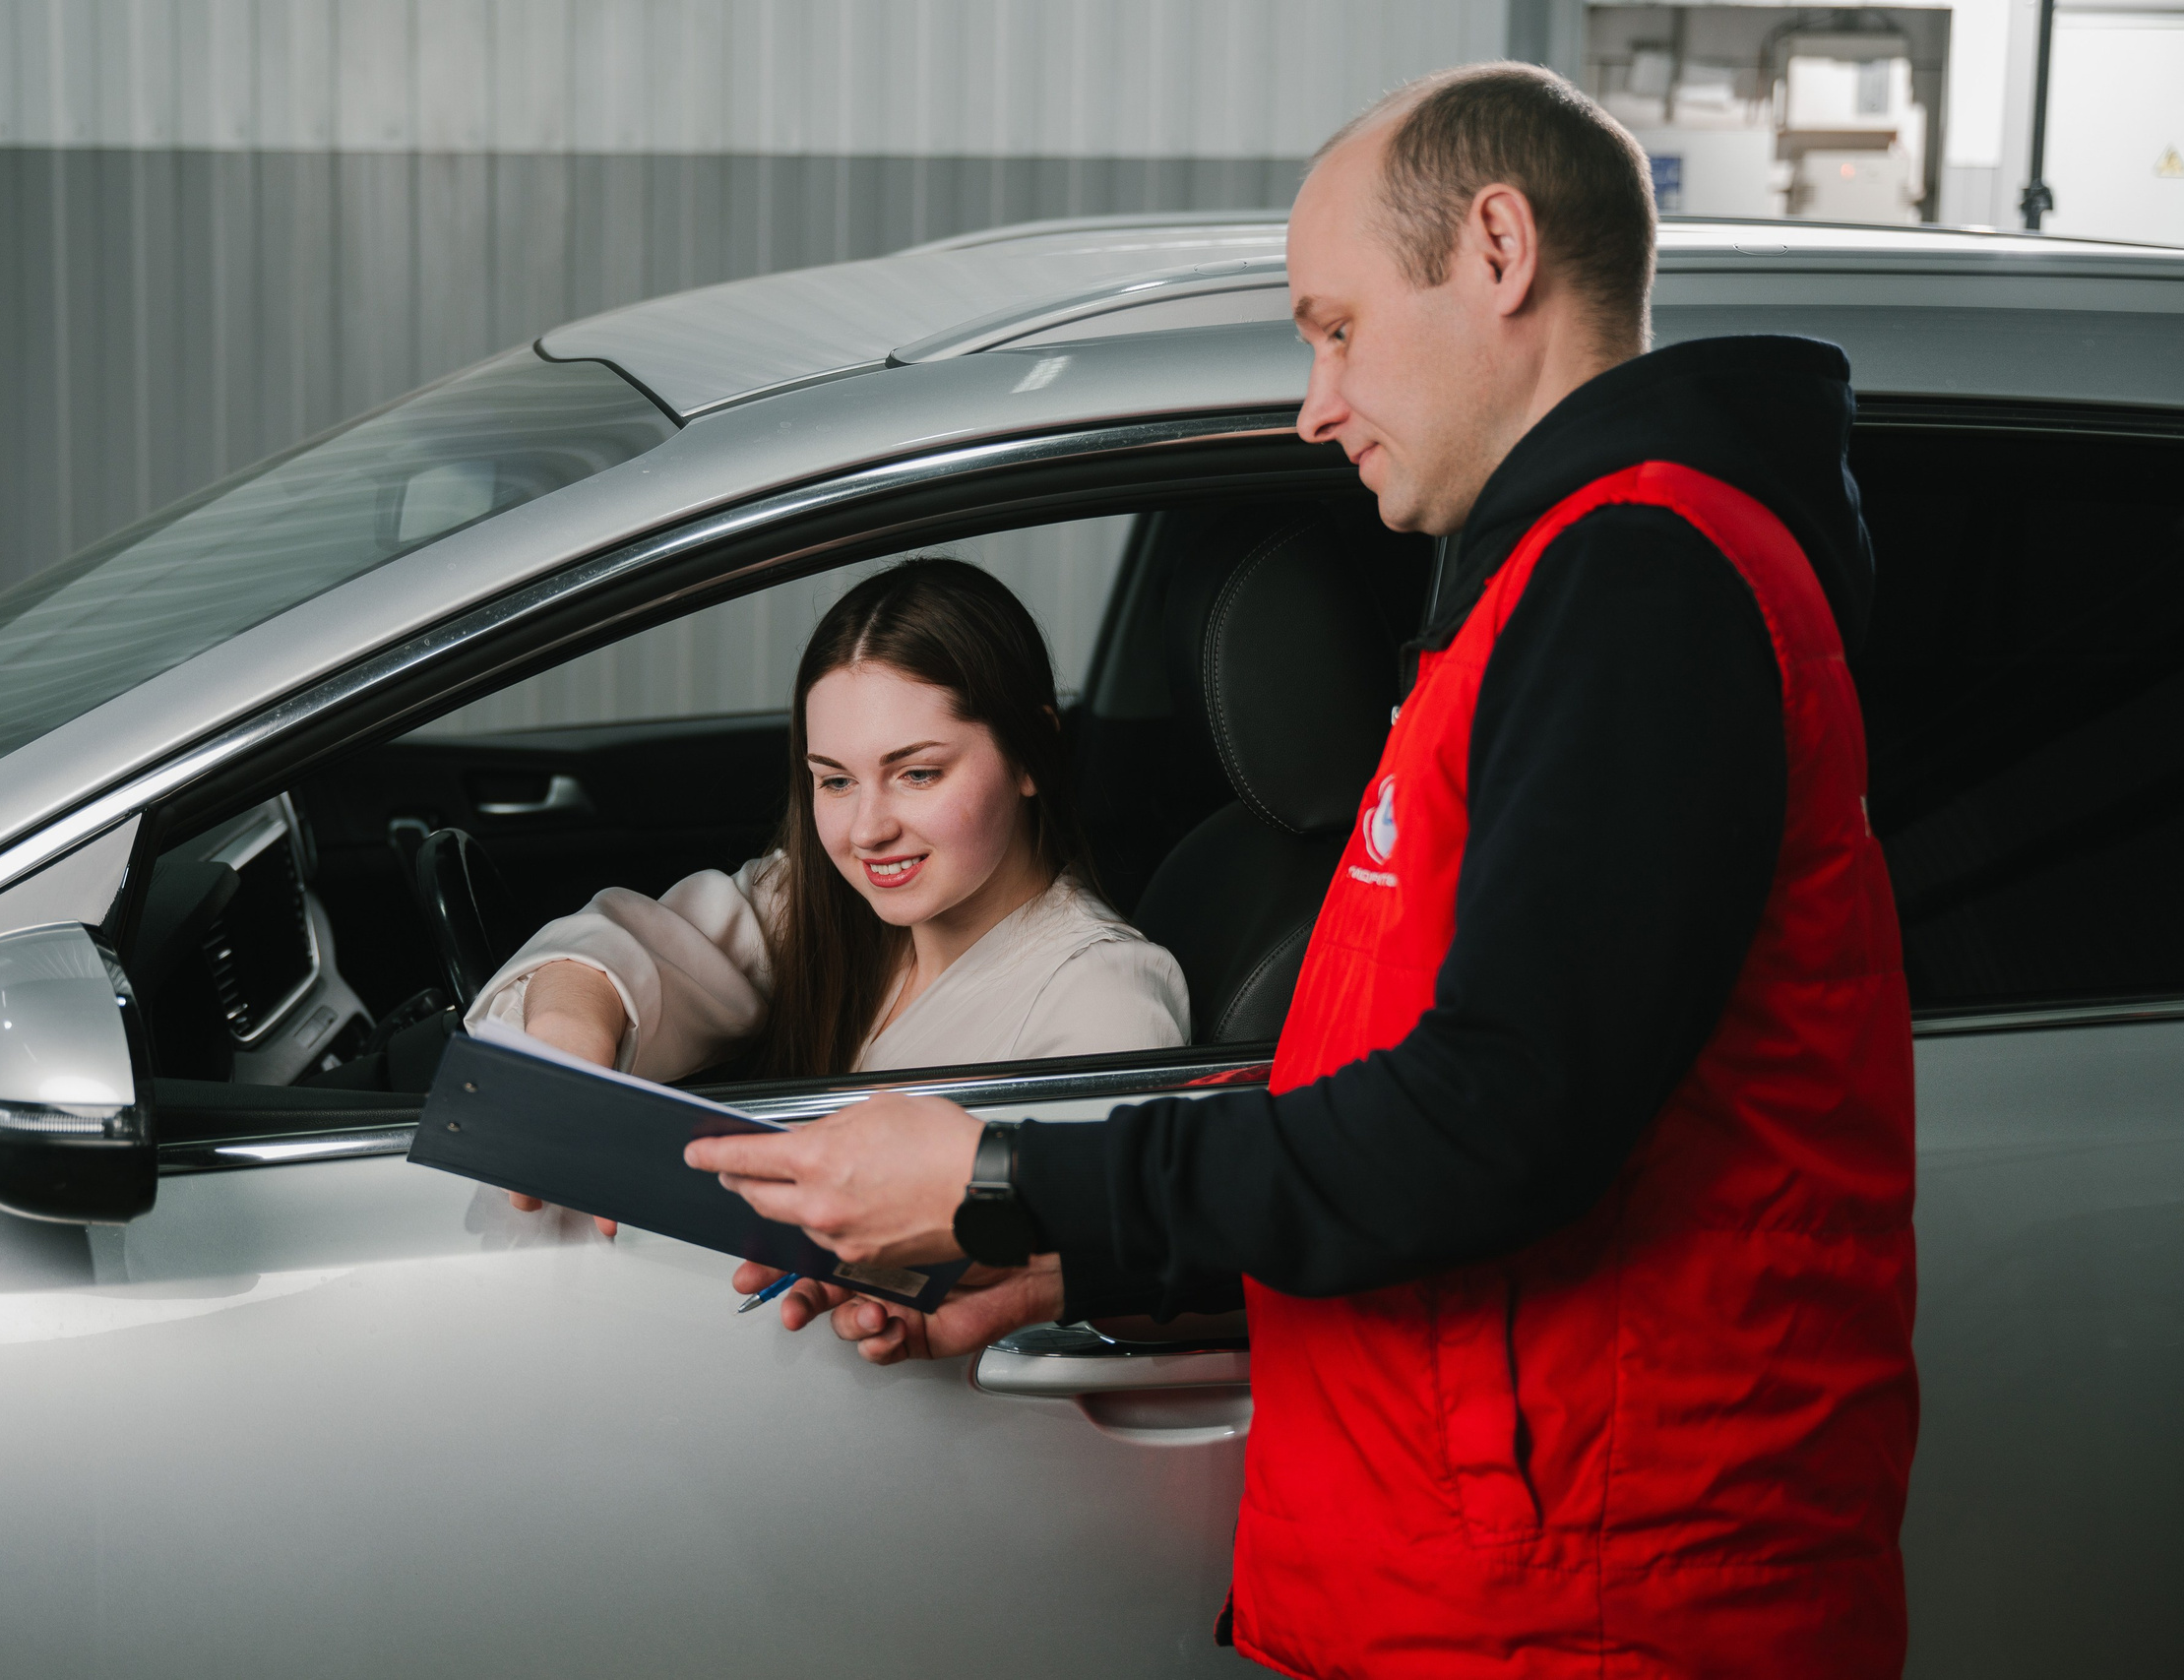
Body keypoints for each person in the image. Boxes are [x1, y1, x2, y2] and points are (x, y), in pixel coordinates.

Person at [685, 63, 1917, 1680]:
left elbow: (1498, 1119)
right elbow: (1415, 1126)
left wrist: (1003, 1175)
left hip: (1597, 1594)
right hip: (1490, 1570)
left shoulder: (1640, 582)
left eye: (1336, 328)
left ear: (1496, 249)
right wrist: (1068, 1260)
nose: (1315, 403)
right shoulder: (1550, 586)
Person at [467, 555, 1187, 1089]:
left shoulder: (1103, 995)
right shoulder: (815, 904)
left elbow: (1064, 1241)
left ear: (1032, 755)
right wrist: (568, 1032)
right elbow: (620, 952)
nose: (867, 831)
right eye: (836, 780)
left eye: (917, 773)